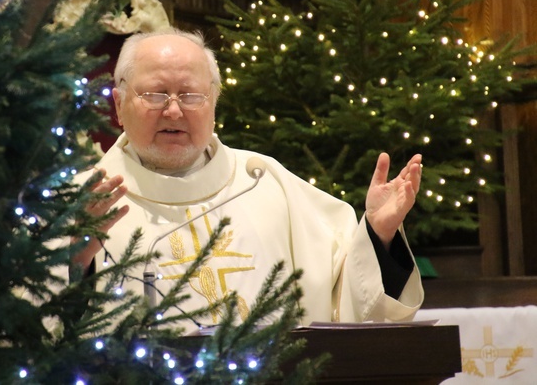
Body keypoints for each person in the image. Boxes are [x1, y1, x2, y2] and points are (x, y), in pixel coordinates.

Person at [73, 27, 423, 332]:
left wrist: (379, 236)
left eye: (192, 95)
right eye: (155, 94)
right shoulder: (78, 200)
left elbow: (350, 297)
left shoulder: (266, 182)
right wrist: (75, 258)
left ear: (214, 102)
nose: (174, 110)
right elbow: (36, 322)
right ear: (119, 105)